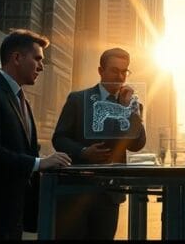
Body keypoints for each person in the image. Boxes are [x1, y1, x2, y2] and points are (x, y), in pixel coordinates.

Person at [0, 29, 72, 240]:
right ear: (17, 57)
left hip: (12, 212)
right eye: (37, 58)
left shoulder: (22, 101)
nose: (42, 66)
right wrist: (39, 163)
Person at [52, 47, 146, 239]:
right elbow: (59, 138)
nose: (120, 76)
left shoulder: (132, 104)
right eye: (114, 70)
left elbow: (137, 145)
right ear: (101, 71)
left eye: (124, 71)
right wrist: (83, 151)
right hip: (75, 190)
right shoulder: (78, 99)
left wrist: (130, 110)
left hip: (109, 193)